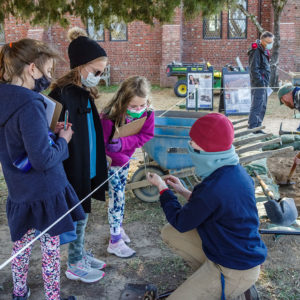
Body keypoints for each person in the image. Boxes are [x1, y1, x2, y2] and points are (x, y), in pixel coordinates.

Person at [147, 113, 267, 300]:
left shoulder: (212, 188)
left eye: (194, 142)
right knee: (170, 233)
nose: (190, 144)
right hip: (234, 253)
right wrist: (182, 190)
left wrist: (162, 189)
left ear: (208, 149)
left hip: (233, 269)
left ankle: (216, 284)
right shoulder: (235, 171)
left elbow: (181, 221)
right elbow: (215, 204)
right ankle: (207, 276)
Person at [0, 38, 86, 300]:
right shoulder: (30, 103)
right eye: (47, 70)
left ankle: (19, 292)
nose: (49, 76)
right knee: (50, 248)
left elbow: (18, 140)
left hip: (18, 189)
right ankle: (52, 297)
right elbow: (42, 159)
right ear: (32, 69)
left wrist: (48, 131)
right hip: (45, 191)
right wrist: (63, 140)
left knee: (21, 246)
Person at [49, 27, 108, 283]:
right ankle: (74, 263)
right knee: (78, 215)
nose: (99, 76)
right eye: (97, 71)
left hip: (88, 163)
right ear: (81, 66)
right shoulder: (64, 95)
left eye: (102, 72)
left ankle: (80, 253)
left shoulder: (82, 92)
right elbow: (54, 132)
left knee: (83, 214)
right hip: (72, 166)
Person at [100, 76, 154, 258]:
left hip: (123, 159)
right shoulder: (109, 116)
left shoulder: (148, 113)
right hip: (111, 163)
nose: (138, 110)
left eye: (142, 105)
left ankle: (117, 227)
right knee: (117, 196)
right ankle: (115, 240)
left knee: (121, 194)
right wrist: (117, 153)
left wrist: (123, 144)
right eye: (133, 106)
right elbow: (102, 144)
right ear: (123, 101)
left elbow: (146, 134)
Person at [248, 31, 274, 133]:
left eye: (271, 42)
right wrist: (260, 82)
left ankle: (258, 126)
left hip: (264, 83)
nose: (270, 44)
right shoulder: (256, 51)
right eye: (268, 42)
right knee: (257, 105)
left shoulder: (264, 50)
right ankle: (253, 128)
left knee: (262, 106)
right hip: (259, 84)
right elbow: (254, 69)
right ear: (262, 41)